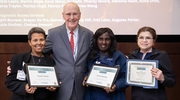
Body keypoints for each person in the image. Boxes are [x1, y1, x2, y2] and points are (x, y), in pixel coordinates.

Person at [42, 2, 93, 100]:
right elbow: (39, 54)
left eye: (75, 14)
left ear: (80, 15)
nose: (72, 17)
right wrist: (21, 65)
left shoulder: (88, 34)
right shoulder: (53, 34)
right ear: (63, 15)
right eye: (68, 14)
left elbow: (95, 56)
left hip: (81, 88)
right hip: (60, 88)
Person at [6, 27, 57, 100]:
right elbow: (10, 82)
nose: (39, 43)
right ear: (30, 42)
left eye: (41, 40)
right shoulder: (18, 58)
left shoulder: (50, 61)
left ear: (45, 41)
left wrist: (53, 88)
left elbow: (52, 84)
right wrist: (24, 87)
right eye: (35, 40)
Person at [128, 26, 176, 100]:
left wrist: (162, 78)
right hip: (136, 97)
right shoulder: (133, 55)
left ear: (153, 40)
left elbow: (172, 82)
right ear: (137, 39)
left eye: (148, 38)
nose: (144, 40)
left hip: (156, 97)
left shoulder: (162, 55)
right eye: (141, 37)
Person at [83, 28, 127, 100]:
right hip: (93, 95)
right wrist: (86, 77)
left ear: (111, 41)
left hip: (113, 96)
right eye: (100, 39)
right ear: (96, 40)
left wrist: (116, 86)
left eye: (107, 39)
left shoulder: (120, 57)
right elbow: (85, 72)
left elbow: (125, 78)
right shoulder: (90, 56)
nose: (103, 42)